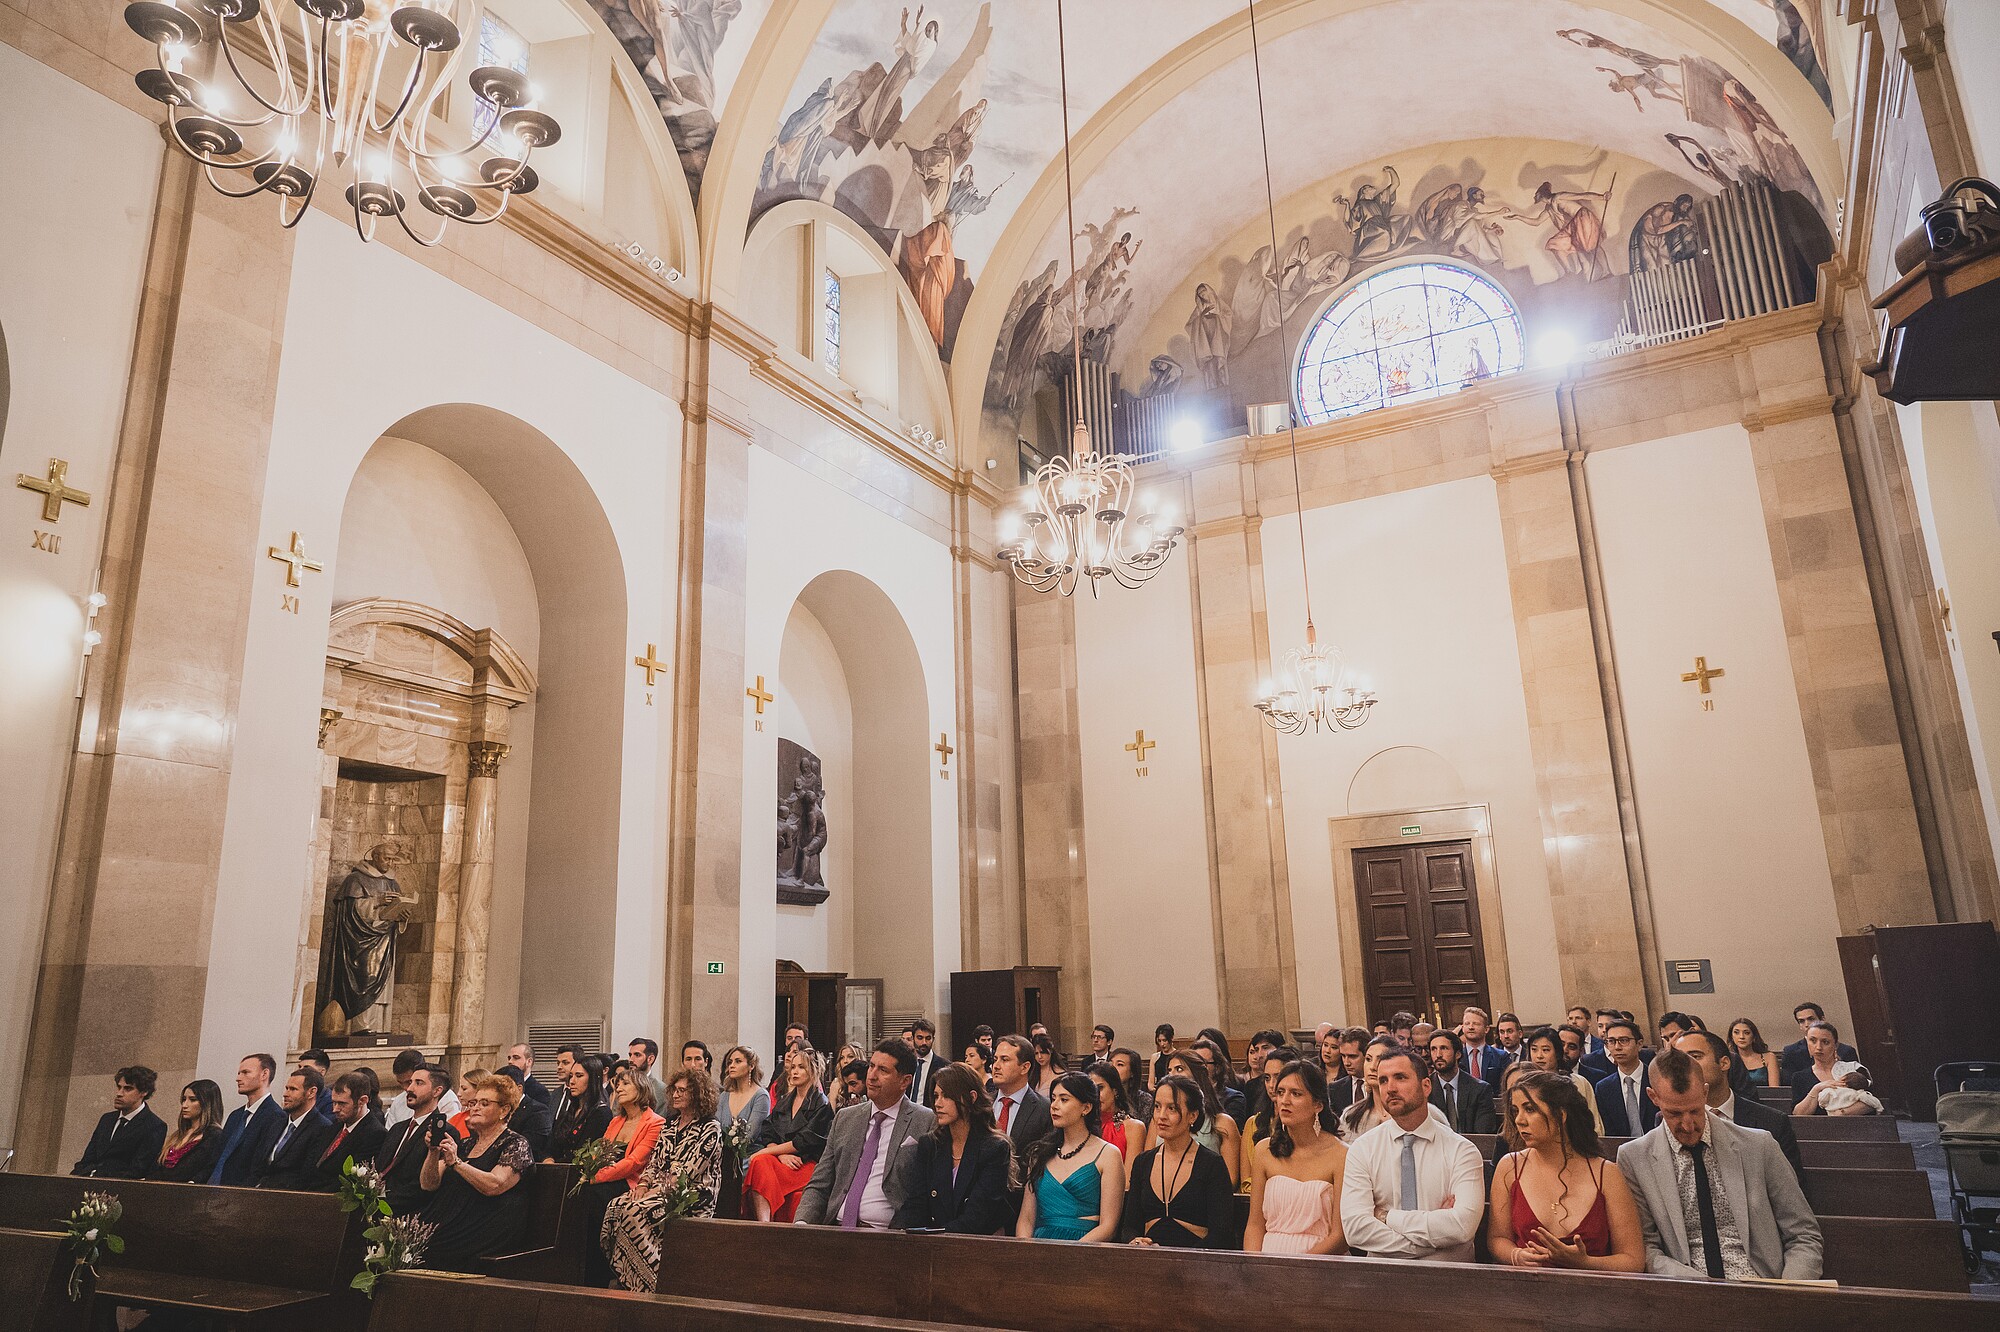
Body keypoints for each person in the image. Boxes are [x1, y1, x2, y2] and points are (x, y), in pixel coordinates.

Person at [1618, 1048, 1822, 1280]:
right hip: (1686, 1288)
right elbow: (1646, 1247)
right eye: (1674, 1113)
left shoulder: (1757, 1145)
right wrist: (1699, 1286)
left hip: (1763, 1284)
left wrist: (1789, 1291)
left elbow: (1803, 1234)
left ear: (1705, 1093)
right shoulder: (1634, 1158)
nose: (1687, 1125)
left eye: (1694, 1111)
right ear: (1653, 1097)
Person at [1486, 1070, 1646, 1271]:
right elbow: (1497, 1238)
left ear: (1561, 1114)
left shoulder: (1606, 1174)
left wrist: (1584, 1263)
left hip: (1593, 1294)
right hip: (1525, 1292)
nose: (1519, 1120)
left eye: (1530, 1109)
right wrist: (1515, 1255)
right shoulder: (1509, 1167)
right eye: (1515, 1111)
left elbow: (1633, 1261)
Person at [1338, 1047, 1484, 1261]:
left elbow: (1461, 1226)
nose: (1390, 1088)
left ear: (1426, 1086)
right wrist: (1430, 1242)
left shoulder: (1461, 1151)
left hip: (1449, 1279)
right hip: (1382, 1277)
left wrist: (1386, 1217)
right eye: (1383, 1080)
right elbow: (1355, 1229)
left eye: (1400, 1078)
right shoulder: (1363, 1149)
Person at [597, 1065, 718, 1290]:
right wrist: (643, 1185)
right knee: (615, 1207)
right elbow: (655, 1162)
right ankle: (626, 1274)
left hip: (690, 1195)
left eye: (684, 1090)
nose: (676, 1094)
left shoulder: (710, 1128)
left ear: (698, 1094)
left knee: (634, 1211)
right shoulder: (670, 1125)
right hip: (658, 1188)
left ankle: (649, 1281)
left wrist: (654, 1191)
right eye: (675, 1090)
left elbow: (689, 1173)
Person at [799, 1038, 934, 1227]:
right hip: (836, 1228)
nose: (871, 1076)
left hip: (887, 1235)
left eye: (883, 1070)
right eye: (871, 1066)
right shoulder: (845, 1118)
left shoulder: (925, 1121)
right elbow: (820, 1183)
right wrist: (802, 1223)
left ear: (905, 1081)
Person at [419, 1070, 532, 1269]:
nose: (475, 1108)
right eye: (474, 1103)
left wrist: (457, 1163)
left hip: (488, 1224)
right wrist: (433, 1153)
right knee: (408, 1239)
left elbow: (494, 1185)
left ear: (504, 1110)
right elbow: (428, 1184)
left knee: (431, 1248)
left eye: (484, 1103)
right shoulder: (465, 1144)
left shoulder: (516, 1144)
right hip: (454, 1218)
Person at [892, 1063, 1015, 1234]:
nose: (938, 1104)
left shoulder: (994, 1148)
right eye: (935, 1096)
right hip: (935, 1242)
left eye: (946, 1096)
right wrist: (899, 1232)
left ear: (971, 1097)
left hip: (978, 1243)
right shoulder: (930, 1145)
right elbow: (916, 1203)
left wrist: (931, 1235)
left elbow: (978, 1215)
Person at [1673, 1030, 1803, 1183]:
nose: (1686, 1066)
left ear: (1724, 1063)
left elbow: (1792, 1189)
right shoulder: (1670, 1121)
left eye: (1695, 1057)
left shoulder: (1772, 1122)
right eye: (1679, 1060)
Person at [1245, 1061, 1346, 1255]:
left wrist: (1297, 1268)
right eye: (1281, 1092)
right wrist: (1254, 1268)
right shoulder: (1264, 1150)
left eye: (1296, 1094)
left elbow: (1340, 1236)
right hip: (1268, 1262)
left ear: (1318, 1104)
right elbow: (1255, 1225)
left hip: (1320, 1264)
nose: (1284, 1100)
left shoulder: (1341, 1155)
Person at [1125, 1073, 1237, 1248]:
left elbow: (1221, 1233)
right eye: (1157, 1106)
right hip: (1149, 1263)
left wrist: (1181, 1260)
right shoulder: (1143, 1162)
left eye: (1172, 1109)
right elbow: (1130, 1226)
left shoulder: (1212, 1164)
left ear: (1192, 1116)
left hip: (1197, 1263)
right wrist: (1136, 1241)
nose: (1161, 1116)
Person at [1018, 1071, 1125, 1242]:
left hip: (1085, 1248)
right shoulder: (1039, 1153)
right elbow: (1026, 1218)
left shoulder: (1108, 1154)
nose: (1054, 1105)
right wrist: (1027, 1249)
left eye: (1064, 1099)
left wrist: (1070, 1254)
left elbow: (1109, 1226)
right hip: (1040, 1246)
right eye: (1053, 1098)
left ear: (1086, 1107)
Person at [742, 1048, 832, 1222]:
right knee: (760, 1163)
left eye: (801, 1067)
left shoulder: (822, 1104)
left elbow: (805, 1141)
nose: (795, 1071)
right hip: (784, 1160)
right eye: (793, 1067)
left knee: (759, 1159)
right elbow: (768, 1130)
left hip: (806, 1164)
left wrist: (764, 1152)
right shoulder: (785, 1101)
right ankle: (764, 1223)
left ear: (813, 1070)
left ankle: (766, 1224)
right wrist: (779, 1153)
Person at [375, 1064, 457, 1214]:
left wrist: (381, 1204)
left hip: (407, 1212)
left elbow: (422, 1189)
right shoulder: (397, 1129)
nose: (409, 1088)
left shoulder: (445, 1133)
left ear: (437, 1091)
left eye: (419, 1083)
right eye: (410, 1082)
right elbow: (381, 1168)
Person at [1152, 1050, 1243, 1186]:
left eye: (1179, 1069)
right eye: (1169, 1070)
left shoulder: (1222, 1122)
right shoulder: (1160, 1120)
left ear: (1197, 1075)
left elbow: (1230, 1180)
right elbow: (1148, 1164)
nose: (1172, 1074)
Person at [72, 1065, 167, 1179]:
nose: (119, 1093)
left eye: (128, 1088)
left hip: (122, 1189)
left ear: (144, 1092)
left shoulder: (154, 1125)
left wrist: (96, 1175)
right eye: (119, 1087)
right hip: (89, 1184)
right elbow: (88, 1159)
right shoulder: (107, 1119)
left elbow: (138, 1170)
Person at [209, 1053, 287, 1186]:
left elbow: (260, 1165)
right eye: (239, 1073)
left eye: (245, 1072)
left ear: (264, 1074)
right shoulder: (235, 1115)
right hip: (213, 1188)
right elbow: (218, 1157)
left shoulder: (276, 1117)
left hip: (240, 1194)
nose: (238, 1078)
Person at [256, 1066, 336, 1190]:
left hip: (287, 1197)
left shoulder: (322, 1128)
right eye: (286, 1088)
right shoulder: (277, 1122)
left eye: (293, 1089)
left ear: (311, 1092)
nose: (285, 1094)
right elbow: (259, 1162)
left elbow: (305, 1175)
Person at [1524, 1026, 1605, 1135]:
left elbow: (1595, 1125)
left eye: (1546, 1050)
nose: (1539, 1056)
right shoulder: (1524, 1085)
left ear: (1557, 1053)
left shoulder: (1579, 1083)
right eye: (1534, 1049)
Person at [313, 1071, 387, 1188]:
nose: (335, 1109)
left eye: (342, 1103)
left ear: (362, 1101)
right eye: (334, 1103)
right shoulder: (334, 1127)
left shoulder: (375, 1134)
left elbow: (350, 1182)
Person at [1790, 1021, 1879, 1115]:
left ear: (1835, 1045)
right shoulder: (1799, 1077)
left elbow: (1872, 1102)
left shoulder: (1854, 1069)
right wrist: (1816, 1089)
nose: (1818, 1047)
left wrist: (1842, 1114)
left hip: (1859, 1126)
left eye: (1825, 1042)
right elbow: (1798, 1115)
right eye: (1813, 1040)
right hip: (1817, 1128)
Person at [149, 1079, 227, 1182]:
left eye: (192, 1099)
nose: (184, 1105)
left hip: (189, 1193)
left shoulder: (215, 1136)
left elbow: (207, 1170)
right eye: (184, 1099)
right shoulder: (178, 1135)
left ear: (207, 1103)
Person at [1426, 1031, 1500, 1135]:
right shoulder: (1424, 1089)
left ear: (1458, 1054)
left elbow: (1483, 1136)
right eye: (1433, 1049)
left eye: (1444, 1048)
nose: (1438, 1055)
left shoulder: (1480, 1090)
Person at [1593, 1019, 1658, 1136]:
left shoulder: (1657, 1079)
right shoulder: (1604, 1088)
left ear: (1639, 1044)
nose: (1617, 1047)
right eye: (1611, 1041)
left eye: (1624, 1040)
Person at [990, 1034, 1053, 1156]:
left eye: (1004, 1060)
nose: (996, 1066)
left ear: (1024, 1067)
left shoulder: (1044, 1109)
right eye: (995, 1059)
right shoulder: (982, 1104)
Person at [548, 1055, 613, 1162]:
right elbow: (552, 1143)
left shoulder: (601, 1113)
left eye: (579, 1076)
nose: (571, 1081)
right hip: (559, 1170)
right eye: (571, 1076)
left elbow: (584, 1155)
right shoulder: (569, 1109)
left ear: (592, 1079)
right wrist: (548, 1158)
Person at [1778, 1002, 1857, 1081]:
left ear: (1822, 1020)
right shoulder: (1791, 1052)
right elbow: (1789, 1085)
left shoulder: (1846, 1051)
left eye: (1811, 1019)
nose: (1807, 1024)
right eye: (1801, 1021)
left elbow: (1856, 1082)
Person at [384, 1047, 461, 1127]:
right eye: (400, 1083)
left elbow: (450, 1131)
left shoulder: (447, 1100)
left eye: (409, 1082)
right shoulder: (398, 1102)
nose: (407, 1088)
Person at [1089, 1064, 1144, 1159]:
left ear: (1115, 1090)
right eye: (1091, 1090)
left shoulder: (1134, 1127)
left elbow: (1130, 1173)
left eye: (1100, 1088)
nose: (1095, 1095)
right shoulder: (1082, 1126)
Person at [1458, 1006, 1508, 1089]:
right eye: (1467, 1023)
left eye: (1476, 1024)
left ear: (1486, 1029)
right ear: (1462, 1028)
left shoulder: (1501, 1056)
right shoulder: (1456, 1057)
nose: (1471, 1027)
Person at [1726, 1019, 1781, 1089]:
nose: (1741, 1037)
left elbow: (1774, 1091)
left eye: (1746, 1033)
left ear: (1754, 1037)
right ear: (1731, 1037)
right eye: (1736, 1033)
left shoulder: (1769, 1057)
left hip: (1764, 1098)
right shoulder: (1728, 1059)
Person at [909, 1017, 947, 1107]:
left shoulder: (944, 1066)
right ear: (912, 1038)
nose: (924, 1042)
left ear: (933, 1039)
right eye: (920, 1038)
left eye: (928, 1038)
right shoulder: (904, 1063)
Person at [1107, 1048, 1152, 1119]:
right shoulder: (1100, 1096)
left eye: (1120, 1064)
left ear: (1132, 1072)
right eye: (1110, 1063)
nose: (1112, 1068)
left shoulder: (1144, 1100)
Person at [505, 1043, 553, 1110]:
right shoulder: (505, 1086)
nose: (510, 1061)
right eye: (509, 1058)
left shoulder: (540, 1091)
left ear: (529, 1062)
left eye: (516, 1058)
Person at [628, 1038, 669, 1107]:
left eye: (637, 1055)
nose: (630, 1060)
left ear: (650, 1059)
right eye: (630, 1055)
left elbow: (659, 1116)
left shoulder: (660, 1089)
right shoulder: (623, 1085)